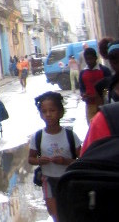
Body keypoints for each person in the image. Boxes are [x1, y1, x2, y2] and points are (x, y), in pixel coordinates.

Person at [27, 92, 81, 221]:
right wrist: (39, 161)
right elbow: (31, 159)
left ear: (61, 112)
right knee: (55, 214)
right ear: (40, 114)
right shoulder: (37, 137)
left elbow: (83, 160)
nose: (48, 114)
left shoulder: (70, 136)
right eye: (44, 111)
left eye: (52, 110)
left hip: (68, 180)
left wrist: (66, 161)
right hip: (48, 180)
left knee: (69, 213)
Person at [79, 47, 112, 123]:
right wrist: (83, 95)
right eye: (87, 59)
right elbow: (82, 87)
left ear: (96, 58)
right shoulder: (83, 73)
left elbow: (109, 87)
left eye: (91, 59)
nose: (89, 61)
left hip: (104, 104)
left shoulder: (104, 70)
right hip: (90, 105)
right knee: (92, 125)